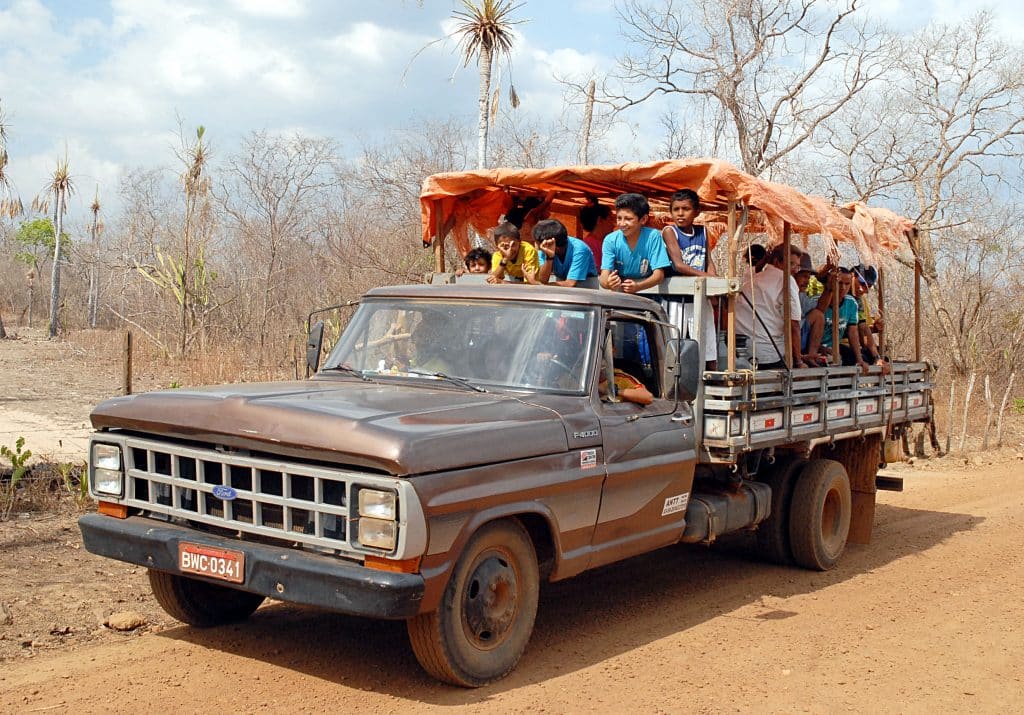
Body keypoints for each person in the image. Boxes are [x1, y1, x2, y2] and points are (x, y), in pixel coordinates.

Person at [660, 188, 717, 368]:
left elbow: (709, 260)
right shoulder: (670, 231)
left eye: (685, 209)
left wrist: (714, 281)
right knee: (673, 344)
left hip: (699, 297)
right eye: (676, 209)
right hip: (676, 299)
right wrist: (708, 277)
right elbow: (679, 265)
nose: (680, 213)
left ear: (696, 212)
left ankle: (708, 381)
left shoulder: (703, 232)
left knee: (707, 343)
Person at [734, 245, 808, 369]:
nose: (795, 270)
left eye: (797, 266)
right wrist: (799, 362)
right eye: (791, 264)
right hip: (767, 354)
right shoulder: (786, 280)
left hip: (737, 351)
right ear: (777, 261)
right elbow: (794, 325)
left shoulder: (753, 278)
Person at [599, 193, 671, 294]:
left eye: (628, 219)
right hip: (620, 296)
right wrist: (608, 283)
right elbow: (603, 277)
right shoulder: (610, 240)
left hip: (650, 296)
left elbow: (659, 275)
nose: (622, 224)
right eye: (619, 218)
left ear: (643, 219)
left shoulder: (653, 236)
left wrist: (638, 286)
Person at [815, 267, 877, 374]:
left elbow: (853, 332)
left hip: (837, 347)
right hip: (817, 349)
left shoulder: (852, 303)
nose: (843, 287)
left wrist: (860, 360)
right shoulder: (819, 302)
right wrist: (819, 348)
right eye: (839, 283)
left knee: (860, 357)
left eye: (847, 284)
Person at [530, 219, 598, 287]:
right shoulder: (544, 249)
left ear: (552, 244)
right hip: (561, 283)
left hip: (586, 284)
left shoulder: (580, 249)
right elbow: (543, 280)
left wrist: (540, 285)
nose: (535, 245)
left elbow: (571, 283)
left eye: (536, 243)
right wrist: (549, 258)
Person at [795, 252, 827, 366]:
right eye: (804, 276)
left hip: (798, 337)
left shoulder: (801, 295)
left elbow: (819, 309)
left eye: (808, 278)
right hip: (787, 340)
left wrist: (829, 288)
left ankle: (811, 355)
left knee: (818, 315)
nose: (807, 281)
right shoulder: (787, 292)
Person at [579, 196, 614, 270]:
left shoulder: (604, 242)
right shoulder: (589, 245)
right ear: (599, 220)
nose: (613, 224)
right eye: (610, 219)